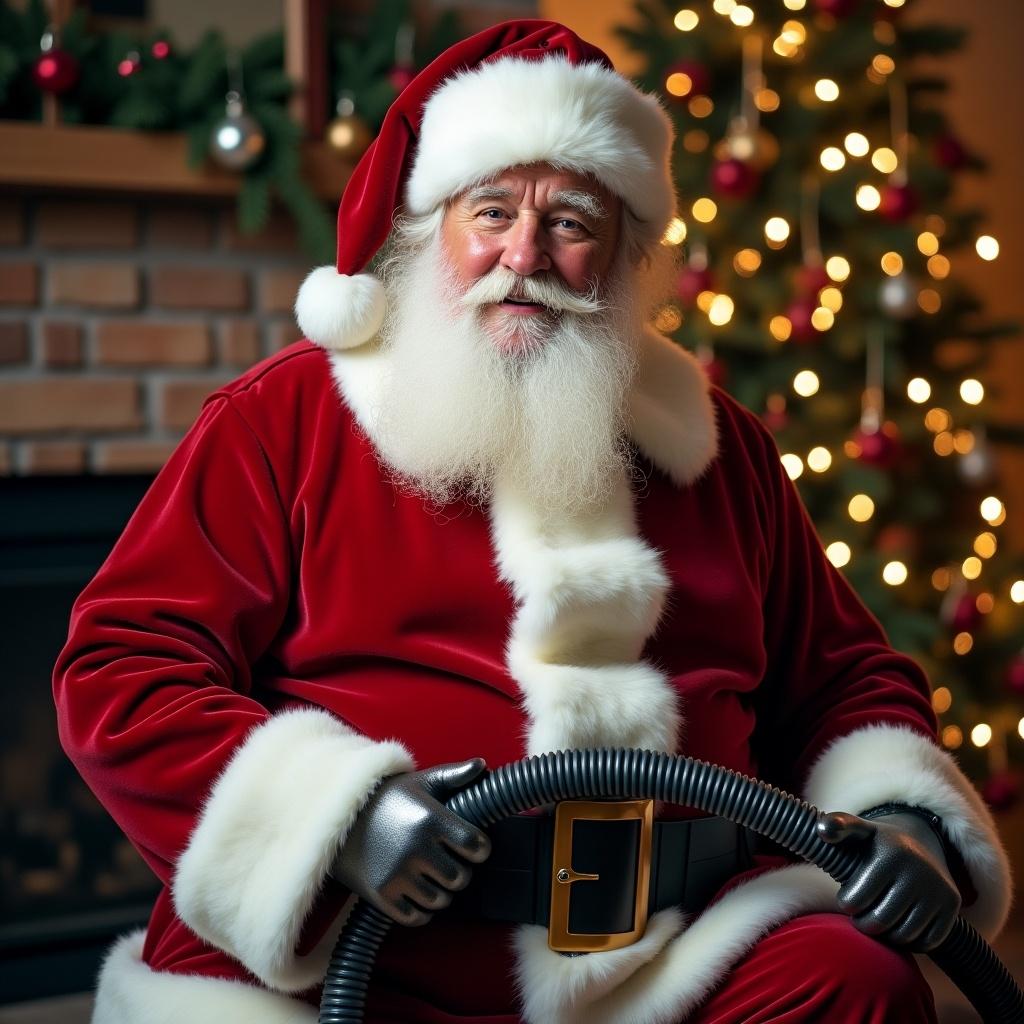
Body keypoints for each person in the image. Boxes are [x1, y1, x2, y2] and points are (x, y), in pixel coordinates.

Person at [54, 20, 1010, 1024]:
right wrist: (335, 819)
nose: (525, 254)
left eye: (571, 220)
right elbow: (124, 666)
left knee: (857, 982)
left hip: (672, 948)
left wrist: (904, 813)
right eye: (493, 210)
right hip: (360, 949)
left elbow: (845, 674)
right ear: (430, 232)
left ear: (624, 252)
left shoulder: (717, 445)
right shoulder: (284, 417)